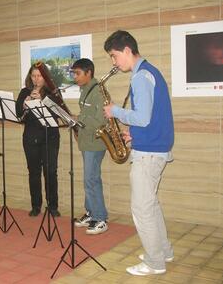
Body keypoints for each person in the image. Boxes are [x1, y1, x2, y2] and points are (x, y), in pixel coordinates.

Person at [103, 30, 174, 276]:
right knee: (151, 205)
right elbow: (153, 117)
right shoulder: (150, 72)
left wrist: (115, 112)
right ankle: (163, 250)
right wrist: (135, 135)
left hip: (148, 154)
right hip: (154, 147)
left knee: (142, 209)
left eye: (113, 56)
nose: (114, 62)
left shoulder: (140, 77)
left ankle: (155, 262)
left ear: (126, 50)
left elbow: (142, 117)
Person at [16, 63, 60, 217]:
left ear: (45, 76)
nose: (36, 79)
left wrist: (42, 99)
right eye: (33, 76)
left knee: (51, 172)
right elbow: (19, 117)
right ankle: (36, 206)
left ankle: (53, 206)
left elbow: (58, 113)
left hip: (51, 137)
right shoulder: (24, 92)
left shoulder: (53, 92)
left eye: (39, 76)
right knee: (34, 173)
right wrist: (25, 105)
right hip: (31, 137)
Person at [72, 58, 109, 235]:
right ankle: (90, 212)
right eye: (74, 73)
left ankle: (100, 217)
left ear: (89, 73)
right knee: (88, 179)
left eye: (78, 73)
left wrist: (79, 119)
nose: (75, 77)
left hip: (95, 143)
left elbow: (101, 120)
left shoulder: (98, 91)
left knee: (91, 180)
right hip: (86, 142)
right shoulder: (85, 89)